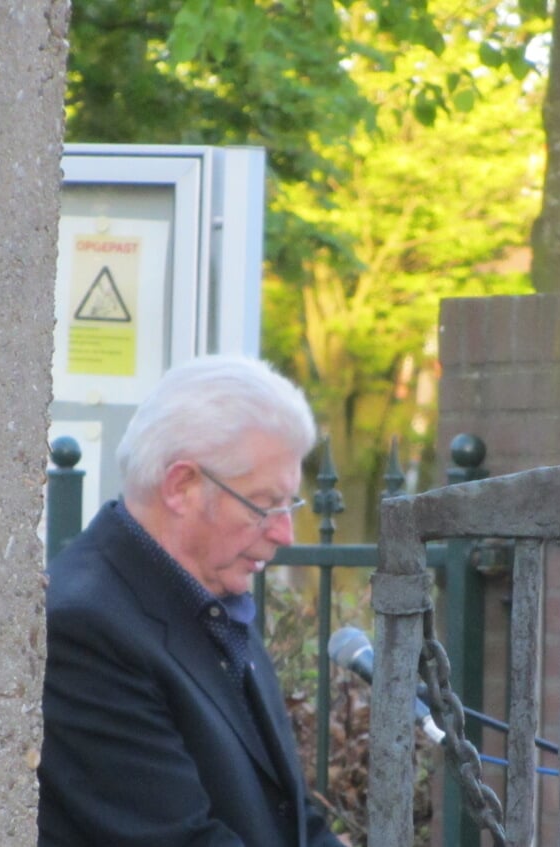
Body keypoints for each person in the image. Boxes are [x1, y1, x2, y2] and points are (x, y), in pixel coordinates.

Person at [37, 354, 344, 847]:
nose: (284, 532)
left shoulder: (213, 595)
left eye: (290, 504)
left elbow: (295, 819)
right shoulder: (85, 627)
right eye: (264, 505)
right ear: (182, 486)